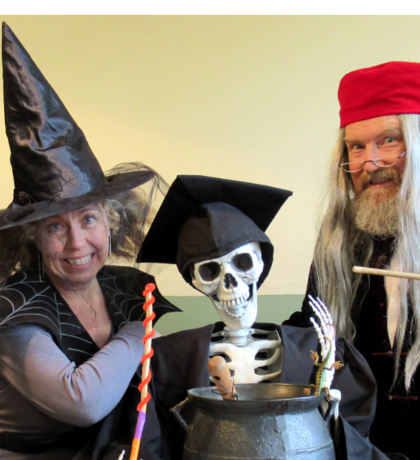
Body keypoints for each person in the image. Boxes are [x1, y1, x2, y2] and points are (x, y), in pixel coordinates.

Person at [0, 23, 179, 460]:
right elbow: (83, 401)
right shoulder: (14, 308)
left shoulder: (127, 286)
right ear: (35, 237)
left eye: (88, 218)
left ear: (110, 222)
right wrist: (142, 330)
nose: (77, 243)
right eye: (55, 227)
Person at [136, 174, 405, 460]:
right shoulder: (166, 360)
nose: (231, 285)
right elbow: (149, 443)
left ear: (262, 264)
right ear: (194, 281)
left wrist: (330, 413)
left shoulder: (319, 349)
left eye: (243, 263)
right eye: (210, 272)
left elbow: (353, 442)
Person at [287, 61, 420, 459]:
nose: (370, 162)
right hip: (365, 448)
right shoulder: (336, 243)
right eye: (357, 147)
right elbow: (314, 331)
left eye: (389, 141)